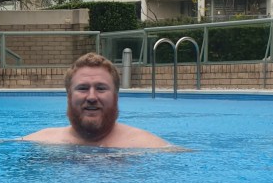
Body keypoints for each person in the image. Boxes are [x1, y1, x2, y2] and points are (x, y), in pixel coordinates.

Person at [21, 51, 173, 148]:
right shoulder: (39, 143)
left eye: (101, 88)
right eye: (83, 88)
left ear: (116, 97)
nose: (92, 97)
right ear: (69, 97)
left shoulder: (150, 147)